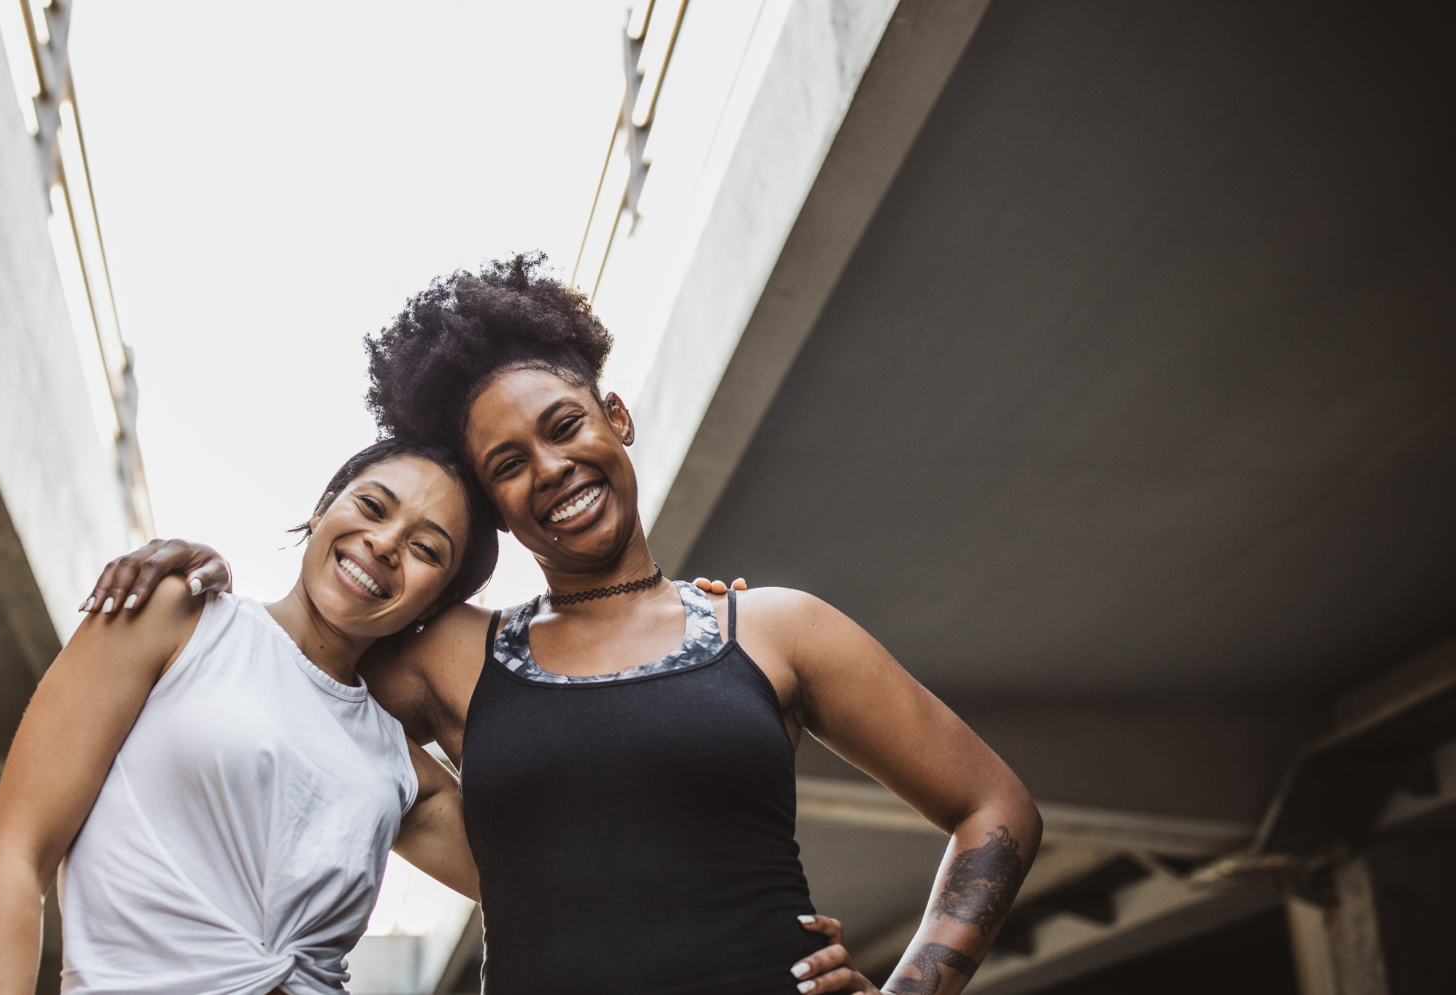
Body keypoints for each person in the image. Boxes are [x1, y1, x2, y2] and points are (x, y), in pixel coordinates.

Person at [90, 254, 1043, 995]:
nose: (549, 468)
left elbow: (995, 806)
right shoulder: (449, 656)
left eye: (563, 425)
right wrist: (193, 592)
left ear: (615, 416)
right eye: (507, 463)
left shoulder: (774, 628)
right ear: (495, 513)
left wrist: (917, 981)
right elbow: (273, 688)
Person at [0, 439, 500, 995]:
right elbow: (16, 859)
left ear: (437, 607)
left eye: (426, 550)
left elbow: (560, 885)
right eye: (372, 506)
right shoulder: (176, 616)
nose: (385, 543)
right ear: (323, 508)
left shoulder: (400, 770)